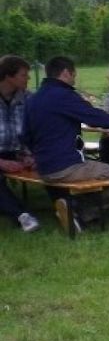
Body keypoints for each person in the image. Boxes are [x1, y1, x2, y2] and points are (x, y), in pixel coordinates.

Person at [22, 55, 109, 232]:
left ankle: (71, 206)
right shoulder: (64, 95)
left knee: (97, 166)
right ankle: (82, 212)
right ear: (66, 73)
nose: (74, 79)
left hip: (44, 168)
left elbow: (25, 136)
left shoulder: (33, 99)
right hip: (66, 166)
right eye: (74, 75)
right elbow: (93, 117)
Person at [0, 55, 40, 233]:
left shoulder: (28, 98)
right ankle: (22, 215)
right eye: (24, 75)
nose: (28, 78)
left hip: (17, 152)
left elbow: (35, 131)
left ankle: (71, 208)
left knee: (52, 163)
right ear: (9, 76)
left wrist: (31, 155)